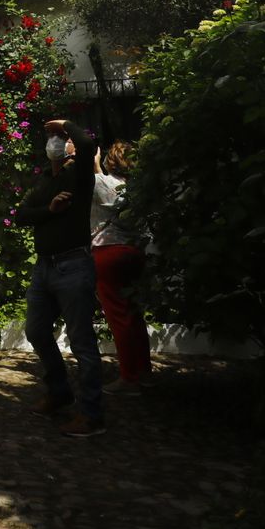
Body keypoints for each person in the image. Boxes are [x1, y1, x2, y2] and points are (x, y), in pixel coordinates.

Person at [14, 118, 106, 437]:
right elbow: (21, 215)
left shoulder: (79, 175)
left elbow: (88, 144)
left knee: (81, 342)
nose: (54, 140)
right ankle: (59, 391)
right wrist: (49, 211)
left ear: (70, 145)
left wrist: (66, 124)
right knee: (36, 331)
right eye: (51, 136)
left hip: (74, 265)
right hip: (44, 268)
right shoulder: (44, 181)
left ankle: (92, 414)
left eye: (60, 137)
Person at [92, 141, 152, 393]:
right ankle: (143, 371)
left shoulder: (100, 183)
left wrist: (94, 164)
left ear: (111, 161)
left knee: (118, 316)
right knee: (134, 314)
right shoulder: (138, 190)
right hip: (134, 252)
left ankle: (129, 377)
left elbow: (99, 187)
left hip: (108, 252)